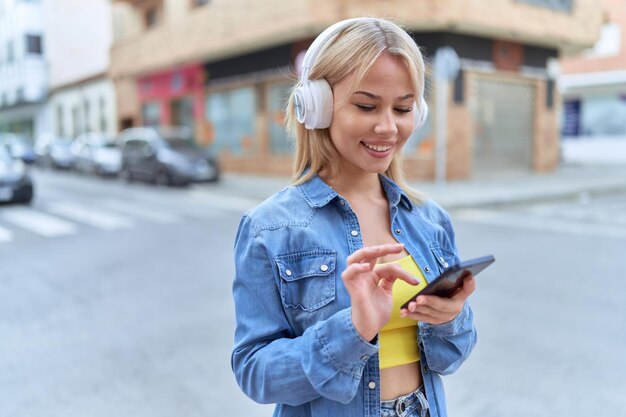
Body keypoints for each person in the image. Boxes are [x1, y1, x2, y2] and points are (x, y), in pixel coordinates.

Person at [231, 17, 477, 417]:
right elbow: (253, 371)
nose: (388, 127)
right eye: (366, 106)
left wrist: (451, 318)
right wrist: (354, 330)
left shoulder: (430, 220)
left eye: (403, 108)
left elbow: (452, 356)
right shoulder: (269, 229)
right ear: (316, 106)